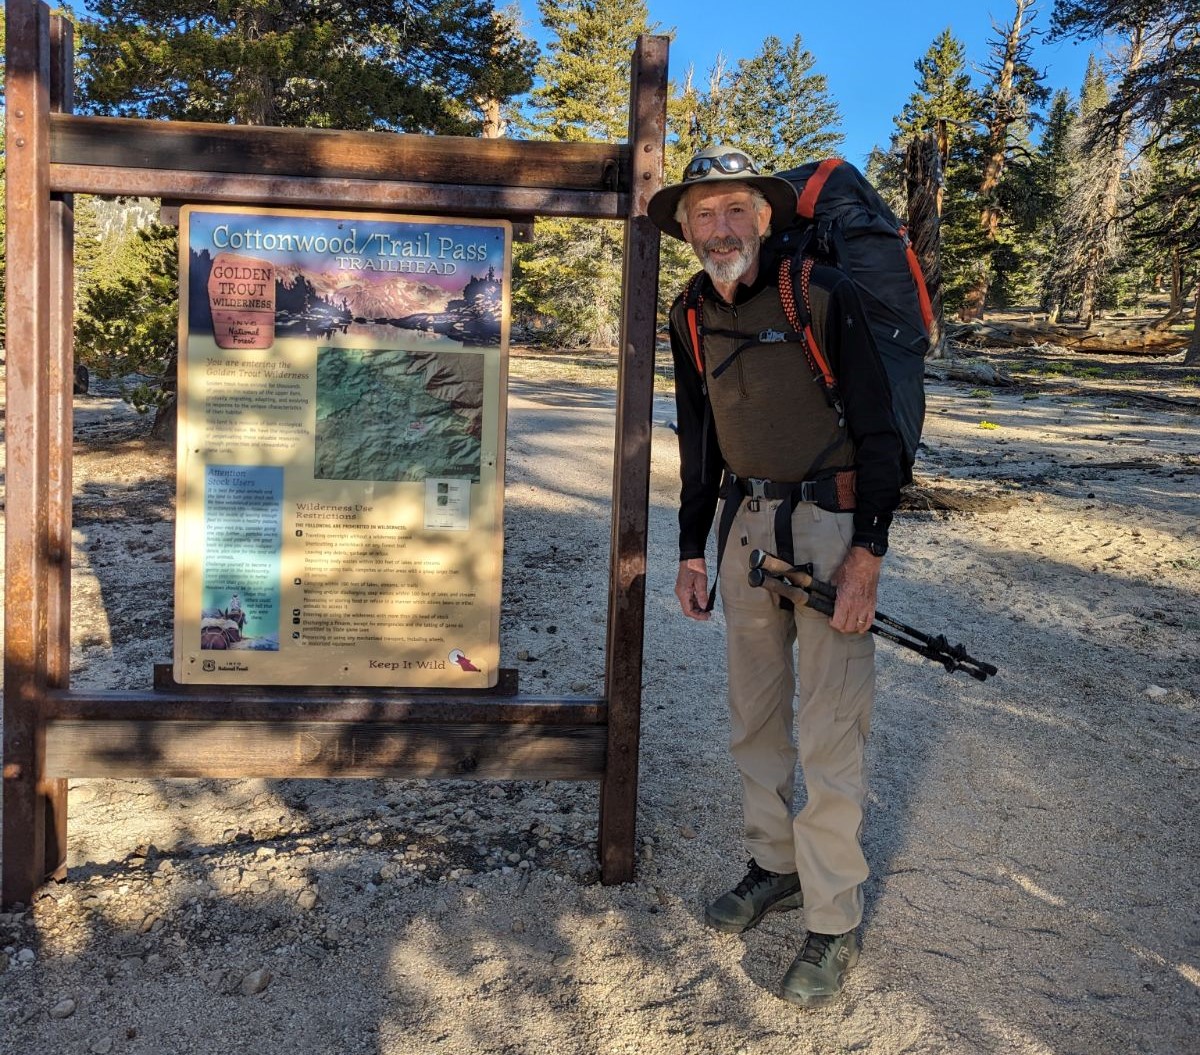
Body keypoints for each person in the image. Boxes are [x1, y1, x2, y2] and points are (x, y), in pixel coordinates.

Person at [647, 145, 904, 1008]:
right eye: (702, 214)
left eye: (734, 210)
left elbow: (882, 434)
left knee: (831, 728)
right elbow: (700, 439)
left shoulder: (821, 296)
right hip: (746, 527)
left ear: (765, 216)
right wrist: (692, 549)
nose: (719, 228)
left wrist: (868, 553)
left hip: (832, 530)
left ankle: (831, 920)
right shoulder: (689, 312)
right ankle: (774, 865)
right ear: (684, 229)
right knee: (754, 716)